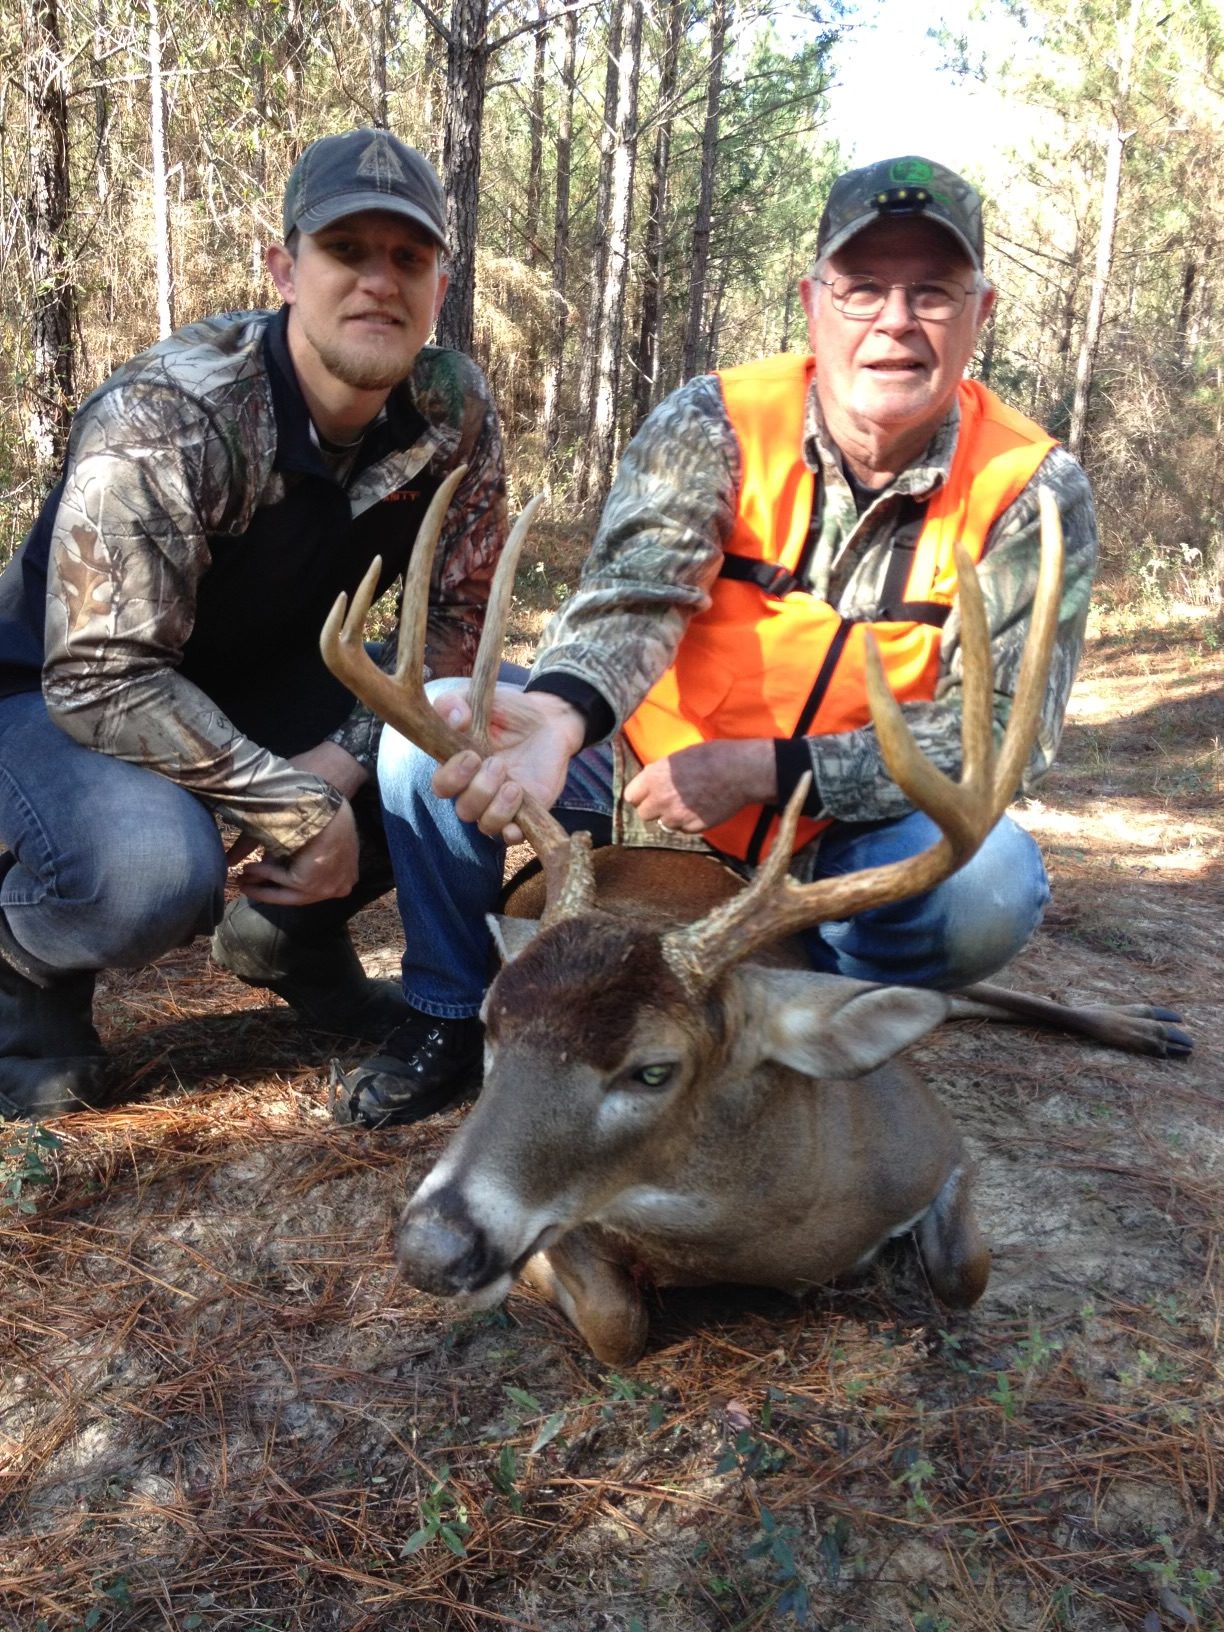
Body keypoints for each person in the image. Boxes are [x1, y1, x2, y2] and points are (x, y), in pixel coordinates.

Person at [330, 154, 1098, 1131]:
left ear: (980, 311)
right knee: (427, 737)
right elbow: (634, 591)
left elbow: (995, 742)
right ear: (813, 300)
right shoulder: (720, 419)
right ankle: (448, 1010)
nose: (895, 321)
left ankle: (810, 1038)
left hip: (840, 822)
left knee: (986, 885)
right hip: (642, 775)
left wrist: (771, 770)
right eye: (862, 287)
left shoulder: (1032, 490)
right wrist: (563, 714)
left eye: (933, 292)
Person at [0, 127, 507, 1120]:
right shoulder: (170, 413)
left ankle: (288, 940)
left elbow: (460, 618)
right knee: (154, 867)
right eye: (346, 251)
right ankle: (22, 970)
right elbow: (102, 675)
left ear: (440, 286)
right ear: (285, 267)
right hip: (58, 699)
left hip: (269, 680)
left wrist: (348, 759)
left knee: (466, 720)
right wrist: (294, 804)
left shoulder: (453, 410)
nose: (378, 282)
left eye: (408, 258)